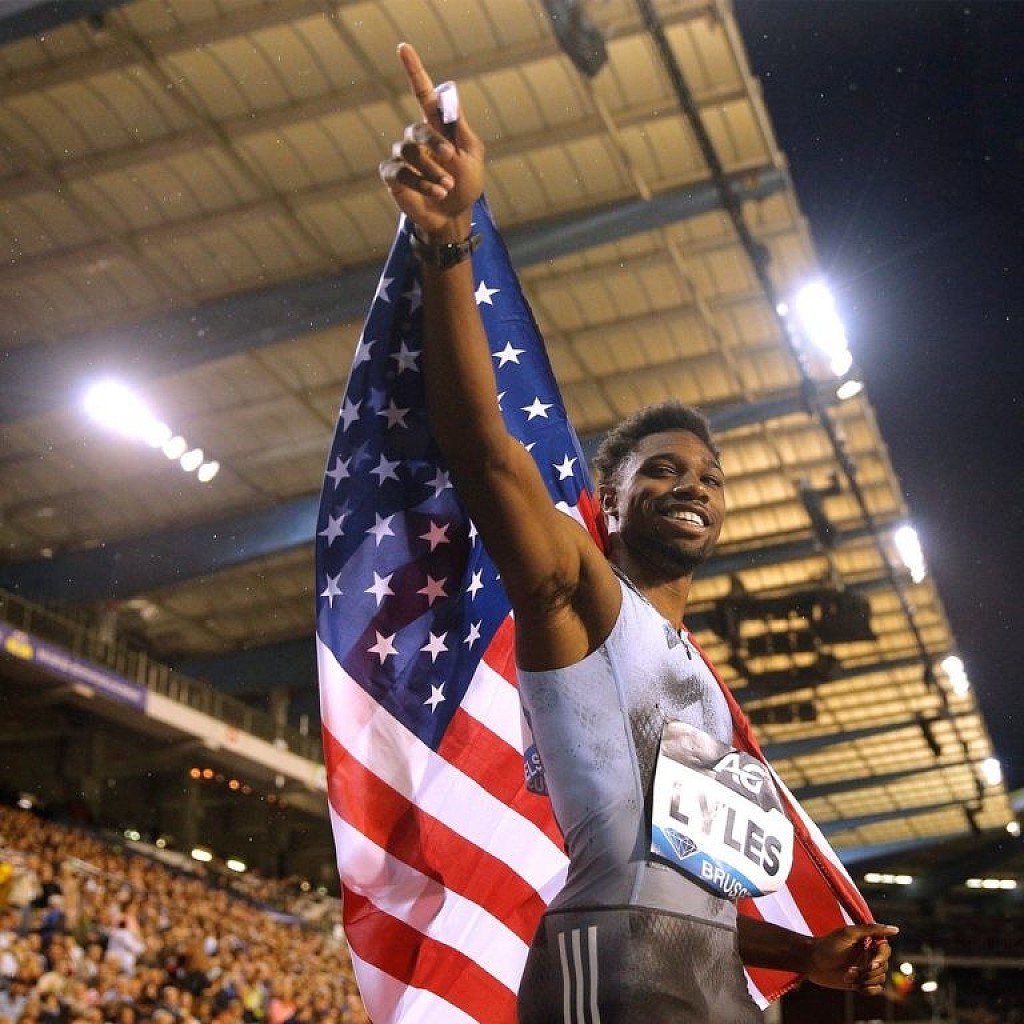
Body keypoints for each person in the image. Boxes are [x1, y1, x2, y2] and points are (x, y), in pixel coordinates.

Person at [379, 42, 898, 1024]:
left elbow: (696, 898)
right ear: (606, 506)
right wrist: (448, 244)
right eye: (660, 468)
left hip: (712, 984)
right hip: (607, 966)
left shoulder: (701, 685)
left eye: (708, 475)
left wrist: (806, 955)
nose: (692, 482)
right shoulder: (579, 592)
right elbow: (484, 453)